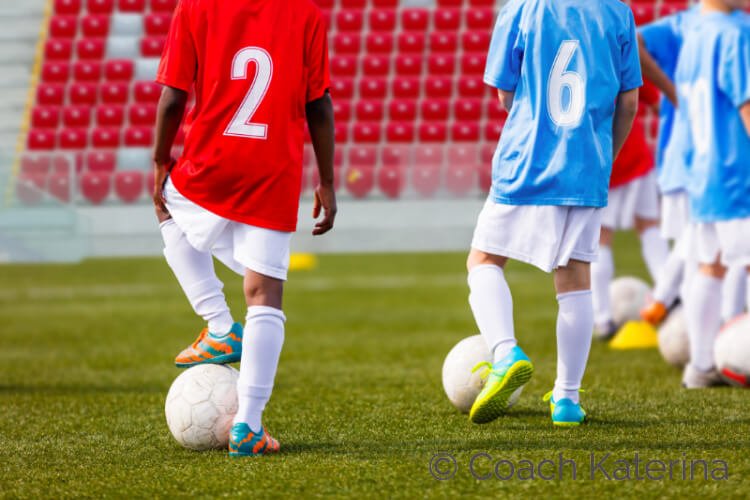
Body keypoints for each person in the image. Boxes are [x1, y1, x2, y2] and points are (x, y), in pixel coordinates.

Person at [153, 0, 336, 455]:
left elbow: (173, 95)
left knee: (167, 208)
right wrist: (327, 180)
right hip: (274, 171)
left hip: (211, 162)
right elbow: (319, 102)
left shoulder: (195, 6)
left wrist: (160, 162)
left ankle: (217, 324)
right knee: (264, 294)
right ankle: (248, 426)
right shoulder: (306, 13)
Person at [466, 0, 641, 427]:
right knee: (575, 280)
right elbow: (630, 102)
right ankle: (566, 399)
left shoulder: (522, 7)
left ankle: (505, 352)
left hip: (527, 163)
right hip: (586, 166)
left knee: (484, 261)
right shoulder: (617, 10)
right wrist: (605, 159)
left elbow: (505, 93)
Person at [674, 0, 750, 388]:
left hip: (703, 172)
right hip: (738, 171)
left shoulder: (695, 33)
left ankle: (700, 365)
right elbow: (747, 106)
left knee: (710, 265)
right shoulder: (735, 33)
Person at [591, 81, 669, 340]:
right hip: (633, 153)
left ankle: (602, 319)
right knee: (649, 225)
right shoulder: (622, 44)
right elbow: (654, 101)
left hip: (600, 158)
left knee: (601, 237)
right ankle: (671, 298)